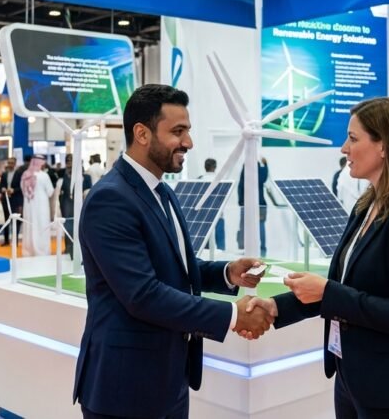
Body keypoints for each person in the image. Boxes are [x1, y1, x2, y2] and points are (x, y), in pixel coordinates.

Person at [247, 97, 389, 418]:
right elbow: (344, 287)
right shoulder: (366, 206)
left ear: (384, 146)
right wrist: (276, 307)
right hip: (353, 377)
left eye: (353, 139)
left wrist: (328, 291)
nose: (344, 149)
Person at [73, 84, 268, 418]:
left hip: (169, 378)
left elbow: (174, 266)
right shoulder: (110, 199)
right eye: (178, 132)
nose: (188, 142)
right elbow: (143, 294)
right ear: (142, 134)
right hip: (124, 388)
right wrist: (233, 315)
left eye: (187, 131)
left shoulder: (162, 191)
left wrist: (226, 273)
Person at [58, 154, 92, 259]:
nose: (69, 163)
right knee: (68, 226)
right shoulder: (63, 175)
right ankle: (69, 249)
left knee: (82, 227)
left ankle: (83, 249)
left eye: (71, 161)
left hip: (82, 204)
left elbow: (88, 190)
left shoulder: (86, 177)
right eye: (68, 161)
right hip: (67, 205)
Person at [21, 154, 54, 257]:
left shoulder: (25, 175)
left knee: (30, 227)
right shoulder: (44, 176)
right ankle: (42, 251)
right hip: (42, 206)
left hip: (29, 206)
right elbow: (50, 192)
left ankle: (29, 251)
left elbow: (23, 191)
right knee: (42, 227)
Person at [237, 158, 269, 256]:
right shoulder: (260, 172)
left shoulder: (245, 173)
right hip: (260, 203)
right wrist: (265, 165)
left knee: (244, 226)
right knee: (260, 225)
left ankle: (244, 248)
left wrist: (241, 201)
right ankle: (262, 249)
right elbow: (263, 178)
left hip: (246, 204)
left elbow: (240, 186)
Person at [198, 158, 225, 250]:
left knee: (204, 239)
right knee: (220, 239)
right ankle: (222, 255)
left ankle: (205, 255)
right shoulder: (221, 179)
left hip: (203, 215)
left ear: (205, 167)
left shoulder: (200, 179)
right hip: (218, 213)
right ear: (215, 167)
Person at [0, 157, 22, 245]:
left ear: (15, 164)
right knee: (6, 220)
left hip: (16, 200)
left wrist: (13, 190)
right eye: (9, 163)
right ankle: (6, 240)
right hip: (6, 200)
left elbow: (21, 187)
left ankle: (15, 240)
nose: (10, 165)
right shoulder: (4, 174)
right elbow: (1, 185)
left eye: (12, 163)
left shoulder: (19, 174)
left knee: (15, 221)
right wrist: (2, 189)